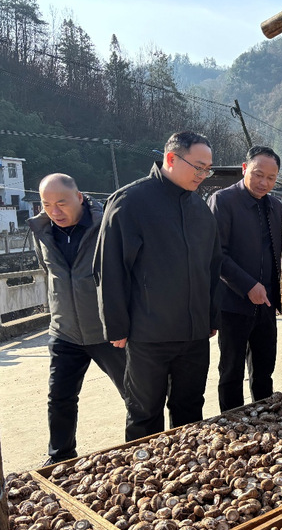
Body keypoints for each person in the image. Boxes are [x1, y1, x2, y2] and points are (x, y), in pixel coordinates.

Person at [93, 131, 222, 441]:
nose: (202, 175)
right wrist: (116, 326)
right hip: (148, 335)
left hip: (194, 334)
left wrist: (210, 317)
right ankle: (143, 468)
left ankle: (186, 466)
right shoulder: (130, 202)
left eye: (207, 169)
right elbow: (109, 268)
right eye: (198, 167)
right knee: (144, 413)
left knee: (190, 409)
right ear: (171, 158)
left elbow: (212, 267)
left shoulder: (200, 209)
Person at [28, 174, 127, 464]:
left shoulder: (106, 225)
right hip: (65, 331)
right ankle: (60, 457)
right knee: (60, 398)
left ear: (80, 197)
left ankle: (145, 447)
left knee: (137, 395)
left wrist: (123, 322)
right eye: (47, 204)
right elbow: (48, 272)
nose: (54, 211)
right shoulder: (41, 230)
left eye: (61, 203)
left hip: (108, 330)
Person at [207, 146, 282, 412]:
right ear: (244, 169)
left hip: (266, 303)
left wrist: (272, 294)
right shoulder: (223, 201)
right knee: (231, 370)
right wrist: (248, 285)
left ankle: (263, 415)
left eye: (271, 178)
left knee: (264, 368)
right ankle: (234, 422)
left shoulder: (275, 206)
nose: (264, 183)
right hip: (233, 303)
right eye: (258, 174)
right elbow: (216, 254)